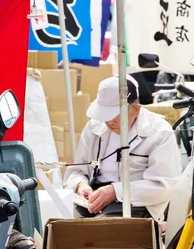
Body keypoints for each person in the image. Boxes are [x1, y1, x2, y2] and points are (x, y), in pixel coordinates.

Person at [63, 75, 181, 223]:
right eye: (104, 114)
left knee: (98, 228)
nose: (108, 121)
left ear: (136, 109)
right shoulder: (94, 127)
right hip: (91, 198)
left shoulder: (160, 132)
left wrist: (115, 191)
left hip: (136, 204)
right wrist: (80, 185)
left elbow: (164, 186)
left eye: (114, 115)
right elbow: (77, 170)